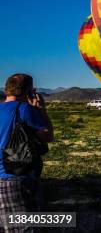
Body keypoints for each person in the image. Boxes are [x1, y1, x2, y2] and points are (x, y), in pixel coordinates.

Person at [0, 74, 53, 225]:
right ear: (29, 91)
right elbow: (47, 136)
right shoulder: (25, 109)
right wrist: (41, 110)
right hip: (14, 179)